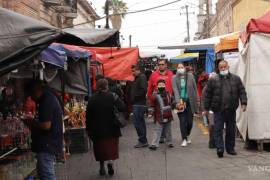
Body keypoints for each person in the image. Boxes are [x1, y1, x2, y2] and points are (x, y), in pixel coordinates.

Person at [203, 60, 247, 158]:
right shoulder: (213, 80)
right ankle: (220, 148)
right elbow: (207, 95)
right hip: (218, 109)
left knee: (231, 130)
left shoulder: (236, 79)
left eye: (224, 67)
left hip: (231, 109)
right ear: (218, 68)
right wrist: (206, 108)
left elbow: (242, 91)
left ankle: (230, 148)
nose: (223, 69)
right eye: (221, 67)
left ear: (228, 66)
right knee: (218, 129)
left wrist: (243, 103)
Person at [23, 80, 63, 180]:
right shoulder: (48, 97)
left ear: (37, 91)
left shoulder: (46, 101)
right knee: (44, 172)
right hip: (49, 142)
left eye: (31, 94)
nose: (31, 97)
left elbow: (46, 125)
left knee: (47, 174)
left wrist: (31, 122)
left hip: (47, 144)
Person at [86, 78, 127, 176]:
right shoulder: (113, 96)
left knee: (100, 149)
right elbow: (122, 107)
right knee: (110, 148)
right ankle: (110, 162)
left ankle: (101, 167)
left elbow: (88, 116)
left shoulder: (92, 99)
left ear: (97, 87)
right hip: (112, 128)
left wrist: (88, 129)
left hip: (97, 130)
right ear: (107, 86)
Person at [147, 59, 174, 143]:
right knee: (159, 119)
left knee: (167, 118)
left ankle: (165, 136)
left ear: (166, 65)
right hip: (157, 100)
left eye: (162, 64)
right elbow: (150, 87)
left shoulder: (170, 74)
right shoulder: (153, 75)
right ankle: (161, 137)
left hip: (168, 100)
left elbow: (174, 86)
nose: (161, 66)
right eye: (159, 64)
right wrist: (149, 98)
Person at [172, 63, 198, 147]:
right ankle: (184, 139)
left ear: (184, 68)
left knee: (190, 122)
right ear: (177, 69)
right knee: (182, 121)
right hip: (181, 102)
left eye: (181, 67)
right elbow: (175, 90)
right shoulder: (174, 78)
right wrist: (178, 102)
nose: (180, 69)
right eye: (178, 67)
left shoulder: (190, 76)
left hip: (190, 102)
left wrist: (197, 99)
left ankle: (187, 134)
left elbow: (195, 88)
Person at [149, 79, 174, 150]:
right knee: (157, 130)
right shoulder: (154, 95)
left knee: (168, 130)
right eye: (160, 85)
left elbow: (172, 101)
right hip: (159, 115)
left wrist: (176, 105)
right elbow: (152, 105)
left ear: (165, 85)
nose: (161, 86)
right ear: (157, 86)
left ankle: (170, 142)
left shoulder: (168, 93)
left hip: (168, 114)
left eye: (162, 85)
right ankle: (154, 144)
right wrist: (151, 113)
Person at [130, 64, 148, 148]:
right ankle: (143, 140)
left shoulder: (142, 77)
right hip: (137, 103)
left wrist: (134, 97)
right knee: (139, 122)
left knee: (138, 123)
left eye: (133, 71)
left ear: (138, 70)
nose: (132, 73)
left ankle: (142, 140)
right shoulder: (138, 78)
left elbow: (143, 90)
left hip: (139, 103)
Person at [201, 72, 216, 149]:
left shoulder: (219, 86)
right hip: (210, 109)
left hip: (218, 109)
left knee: (218, 126)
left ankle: (216, 141)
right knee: (212, 125)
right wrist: (204, 110)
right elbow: (203, 100)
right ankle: (211, 141)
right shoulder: (206, 88)